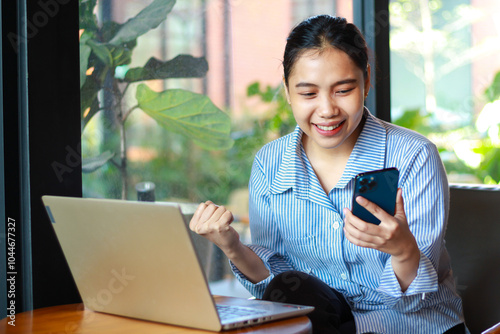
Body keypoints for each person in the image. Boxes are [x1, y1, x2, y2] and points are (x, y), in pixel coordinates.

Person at [189, 15, 467, 334]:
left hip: (409, 323)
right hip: (321, 319)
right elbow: (277, 287)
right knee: (292, 293)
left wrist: (403, 250)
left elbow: (414, 302)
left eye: (343, 90)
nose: (327, 110)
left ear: (366, 81)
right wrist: (232, 246)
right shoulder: (270, 162)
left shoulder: (413, 156)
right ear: (287, 91)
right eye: (308, 94)